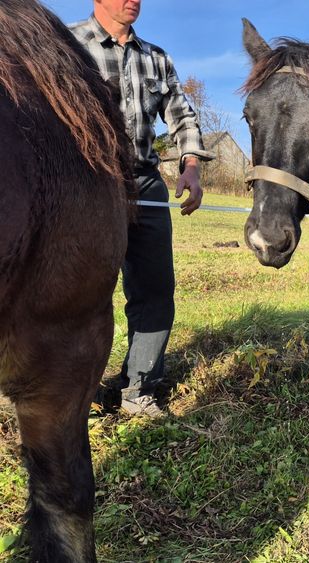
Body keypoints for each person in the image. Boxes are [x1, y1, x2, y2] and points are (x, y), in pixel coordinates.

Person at [71, 0, 213, 417]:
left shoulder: (157, 58)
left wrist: (191, 167)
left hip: (146, 181)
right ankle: (75, 387)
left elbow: (183, 116)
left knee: (154, 287)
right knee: (83, 288)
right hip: (88, 179)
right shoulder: (69, 44)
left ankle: (139, 388)